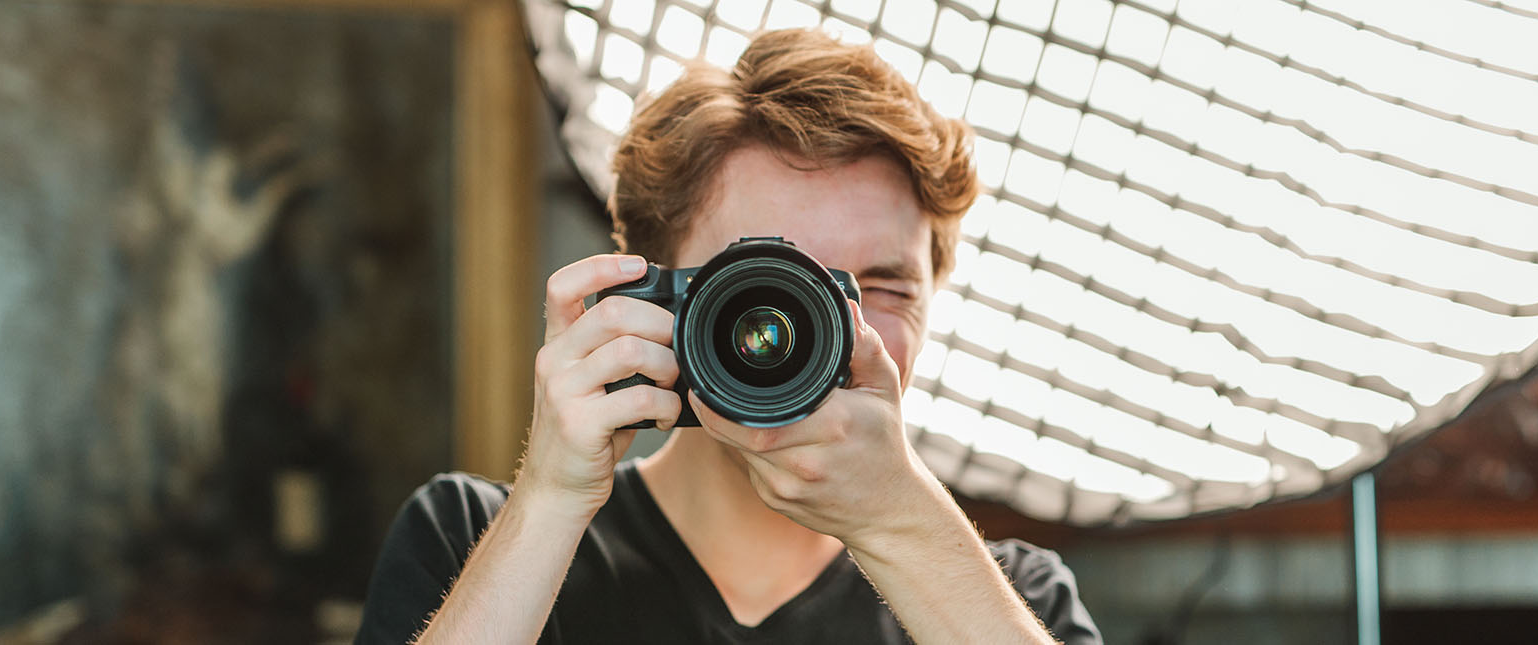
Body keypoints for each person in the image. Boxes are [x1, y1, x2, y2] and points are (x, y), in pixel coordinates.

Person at [353, 28, 1100, 644]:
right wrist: (550, 502)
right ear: (651, 298)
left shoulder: (1012, 596)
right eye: (770, 287)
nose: (833, 331)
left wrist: (906, 525)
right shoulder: (473, 540)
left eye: (882, 286)